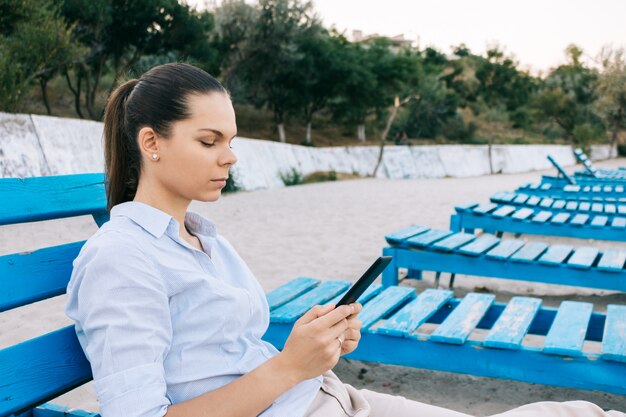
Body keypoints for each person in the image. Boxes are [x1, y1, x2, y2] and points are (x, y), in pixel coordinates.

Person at [64, 63, 624, 417]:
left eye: (230, 141)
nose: (230, 157)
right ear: (151, 143)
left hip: (325, 398)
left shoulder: (202, 238)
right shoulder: (121, 258)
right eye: (209, 141)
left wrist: (313, 346)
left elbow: (231, 355)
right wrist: (289, 368)